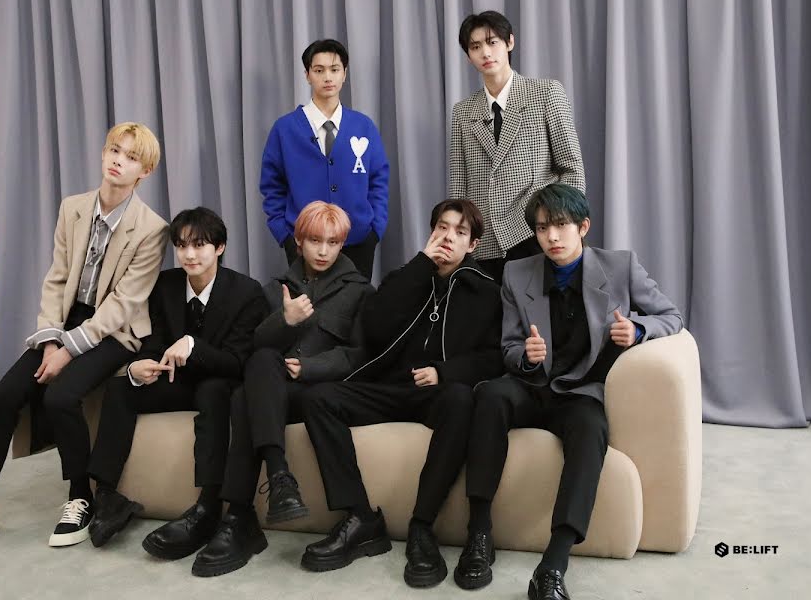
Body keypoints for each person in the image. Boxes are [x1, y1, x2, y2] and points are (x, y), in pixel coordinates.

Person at [0, 122, 168, 559]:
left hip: (114, 332)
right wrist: (51, 340)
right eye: (113, 150)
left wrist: (69, 349)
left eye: (130, 157)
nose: (117, 161)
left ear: (144, 171)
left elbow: (124, 304)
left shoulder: (152, 228)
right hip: (65, 322)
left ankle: (81, 497)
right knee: (2, 396)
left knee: (61, 398)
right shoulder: (73, 208)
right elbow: (56, 279)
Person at [458, 184, 682, 599]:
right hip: (532, 386)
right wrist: (526, 356)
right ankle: (479, 534)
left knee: (591, 430)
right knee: (489, 396)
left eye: (561, 226)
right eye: (542, 228)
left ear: (584, 227)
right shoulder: (517, 273)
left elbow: (671, 316)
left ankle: (553, 565)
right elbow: (508, 347)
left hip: (582, 392)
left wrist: (637, 330)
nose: (552, 237)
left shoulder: (620, 267)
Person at [298, 199, 503, 588]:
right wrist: (422, 266)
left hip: (438, 394)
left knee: (461, 400)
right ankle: (360, 517)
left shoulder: (487, 292)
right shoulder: (407, 276)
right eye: (442, 228)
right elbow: (374, 329)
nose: (448, 237)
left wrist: (444, 372)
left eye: (460, 232)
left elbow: (494, 357)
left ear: (473, 244)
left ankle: (421, 527)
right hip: (387, 387)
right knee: (317, 398)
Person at [191, 201, 374, 577]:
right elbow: (253, 347)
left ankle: (239, 515)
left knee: (243, 398)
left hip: (320, 392)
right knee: (254, 374)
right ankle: (278, 480)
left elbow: (359, 355)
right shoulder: (274, 290)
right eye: (315, 241)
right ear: (298, 241)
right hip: (274, 395)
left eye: (333, 242)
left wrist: (310, 367)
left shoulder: (360, 290)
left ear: (342, 244)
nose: (323, 251)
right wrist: (285, 321)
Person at [85, 207, 267, 559]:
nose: (189, 254)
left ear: (220, 247)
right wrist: (140, 365)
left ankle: (207, 508)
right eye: (182, 246)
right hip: (176, 381)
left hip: (221, 383)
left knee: (213, 391)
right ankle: (107, 496)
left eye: (199, 245)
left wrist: (194, 346)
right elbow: (154, 342)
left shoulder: (247, 292)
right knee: (121, 387)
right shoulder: (166, 285)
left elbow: (238, 362)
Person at [449, 10, 586, 283]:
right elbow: (458, 187)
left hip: (536, 232)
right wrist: (461, 237)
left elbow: (572, 169)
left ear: (510, 42)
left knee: (545, 308)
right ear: (468, 56)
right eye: (475, 47)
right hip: (485, 242)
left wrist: (557, 225)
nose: (486, 52)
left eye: (493, 42)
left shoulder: (546, 93)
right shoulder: (463, 111)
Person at [260, 38, 389, 279]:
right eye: (319, 70)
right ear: (307, 75)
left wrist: (375, 229)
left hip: (358, 241)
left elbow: (378, 180)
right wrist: (285, 235)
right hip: (303, 244)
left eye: (334, 69)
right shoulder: (285, 129)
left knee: (356, 302)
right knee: (308, 302)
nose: (327, 77)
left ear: (344, 74)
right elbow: (272, 186)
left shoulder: (363, 126)